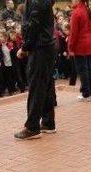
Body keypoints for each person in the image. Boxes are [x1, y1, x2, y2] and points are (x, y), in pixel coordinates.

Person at [13, 0, 57, 140]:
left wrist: (25, 47)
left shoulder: (37, 1)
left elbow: (32, 26)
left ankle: (32, 127)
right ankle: (48, 122)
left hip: (40, 47)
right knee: (46, 85)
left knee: (36, 86)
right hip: (45, 46)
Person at [68, 0, 91, 101]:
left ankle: (86, 93)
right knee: (89, 68)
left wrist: (70, 47)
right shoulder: (86, 10)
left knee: (83, 70)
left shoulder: (77, 12)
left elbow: (73, 32)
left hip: (80, 43)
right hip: (89, 42)